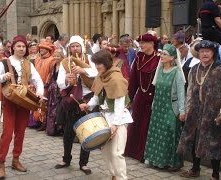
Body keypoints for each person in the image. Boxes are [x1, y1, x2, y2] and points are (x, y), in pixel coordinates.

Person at [0, 35, 44, 179]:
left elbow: (38, 80)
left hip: (24, 102)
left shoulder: (28, 63)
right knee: (7, 133)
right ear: (12, 47)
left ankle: (16, 160)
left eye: (23, 46)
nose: (21, 48)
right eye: (18, 46)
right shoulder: (4, 63)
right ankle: (1, 164)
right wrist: (3, 77)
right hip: (10, 101)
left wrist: (39, 92)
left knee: (20, 133)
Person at [177, 40, 221, 180]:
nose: (204, 54)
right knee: (195, 140)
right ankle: (195, 169)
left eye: (208, 51)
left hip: (213, 113)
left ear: (213, 53)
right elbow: (189, 91)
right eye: (202, 51)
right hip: (195, 112)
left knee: (215, 143)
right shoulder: (194, 69)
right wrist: (188, 108)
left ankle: (215, 175)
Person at [79, 49, 132, 180]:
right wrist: (88, 105)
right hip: (104, 118)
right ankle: (114, 175)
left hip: (119, 118)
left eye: (99, 63)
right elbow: (97, 96)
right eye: (96, 63)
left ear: (107, 63)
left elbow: (120, 104)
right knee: (106, 151)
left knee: (116, 152)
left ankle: (122, 178)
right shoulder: (100, 76)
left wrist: (115, 124)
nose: (97, 66)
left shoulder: (116, 77)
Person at [55, 35, 98, 175]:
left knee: (86, 132)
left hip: (88, 99)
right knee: (68, 132)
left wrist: (83, 70)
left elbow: (98, 73)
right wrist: (67, 80)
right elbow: (59, 82)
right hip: (73, 100)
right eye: (72, 46)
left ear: (82, 47)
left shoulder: (90, 59)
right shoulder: (65, 62)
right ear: (69, 48)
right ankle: (66, 159)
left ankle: (83, 163)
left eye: (77, 46)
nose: (75, 48)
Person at [144, 44, 186, 171]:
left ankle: (173, 163)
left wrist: (182, 110)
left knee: (169, 133)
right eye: (161, 54)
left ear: (173, 57)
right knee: (157, 133)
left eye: (165, 54)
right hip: (158, 107)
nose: (161, 56)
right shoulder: (160, 70)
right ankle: (157, 160)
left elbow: (180, 93)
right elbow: (157, 90)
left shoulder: (177, 72)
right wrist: (153, 104)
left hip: (171, 108)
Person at [123, 33, 160, 162]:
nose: (141, 45)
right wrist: (130, 98)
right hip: (140, 96)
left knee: (147, 126)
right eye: (140, 43)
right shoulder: (139, 58)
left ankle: (144, 154)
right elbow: (133, 80)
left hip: (153, 97)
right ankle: (131, 151)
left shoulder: (158, 58)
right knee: (135, 124)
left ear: (152, 44)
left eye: (144, 43)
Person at [199, 0, 221, 64]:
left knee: (212, 46)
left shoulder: (202, 6)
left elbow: (199, 19)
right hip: (212, 29)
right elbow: (217, 20)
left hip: (204, 31)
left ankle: (213, 62)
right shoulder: (213, 5)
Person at [34, 41, 55, 131]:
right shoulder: (37, 59)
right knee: (36, 102)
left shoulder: (51, 60)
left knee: (44, 103)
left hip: (45, 85)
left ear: (48, 50)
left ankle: (44, 122)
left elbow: (51, 73)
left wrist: (46, 83)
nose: (41, 49)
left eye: (43, 48)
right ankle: (37, 121)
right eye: (40, 48)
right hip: (36, 84)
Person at [46, 49, 64, 136]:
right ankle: (51, 129)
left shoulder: (63, 66)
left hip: (59, 90)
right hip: (53, 90)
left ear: (62, 57)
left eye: (58, 56)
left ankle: (59, 128)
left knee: (58, 109)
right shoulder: (53, 65)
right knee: (51, 108)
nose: (56, 57)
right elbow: (51, 77)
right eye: (55, 56)